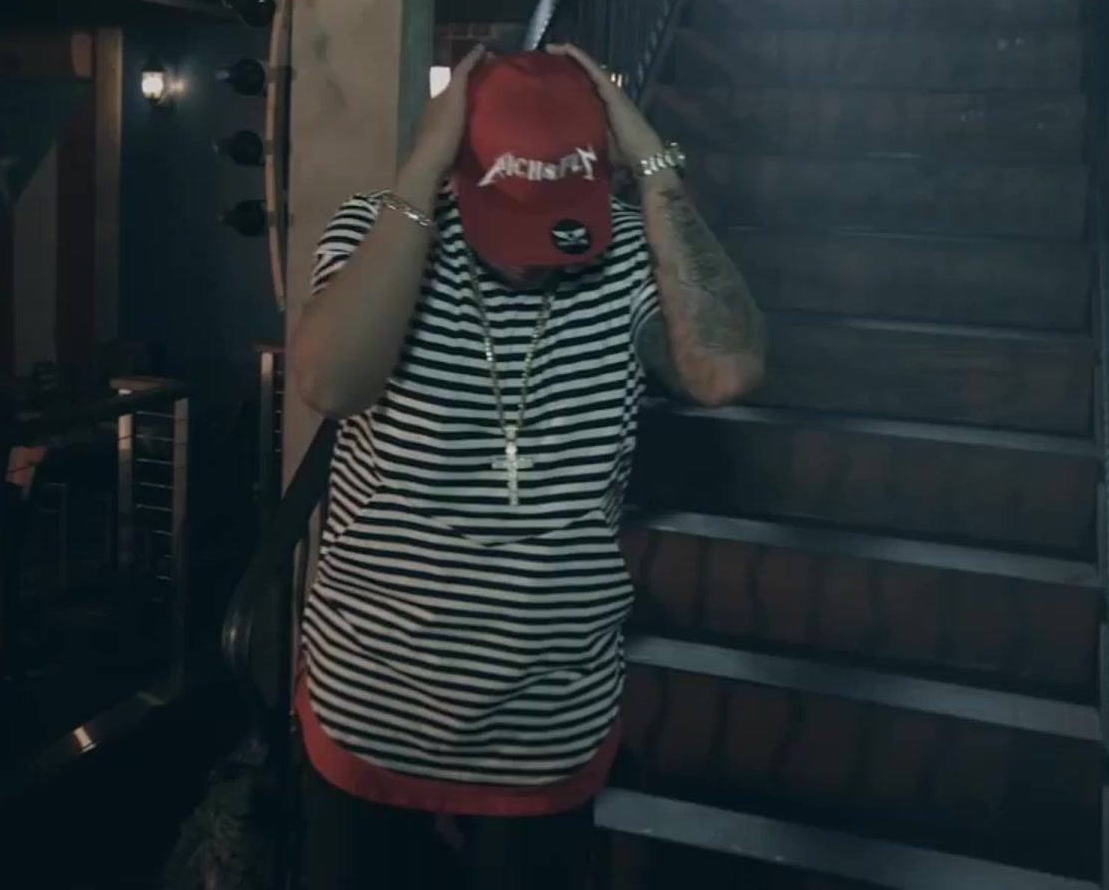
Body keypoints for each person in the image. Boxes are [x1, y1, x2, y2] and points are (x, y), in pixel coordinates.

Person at [287, 44, 766, 889]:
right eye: (507, 219)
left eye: (555, 222)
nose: (531, 257)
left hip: (547, 721)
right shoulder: (380, 226)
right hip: (371, 702)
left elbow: (724, 371)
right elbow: (332, 382)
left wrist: (655, 170)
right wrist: (420, 173)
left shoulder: (627, 250)